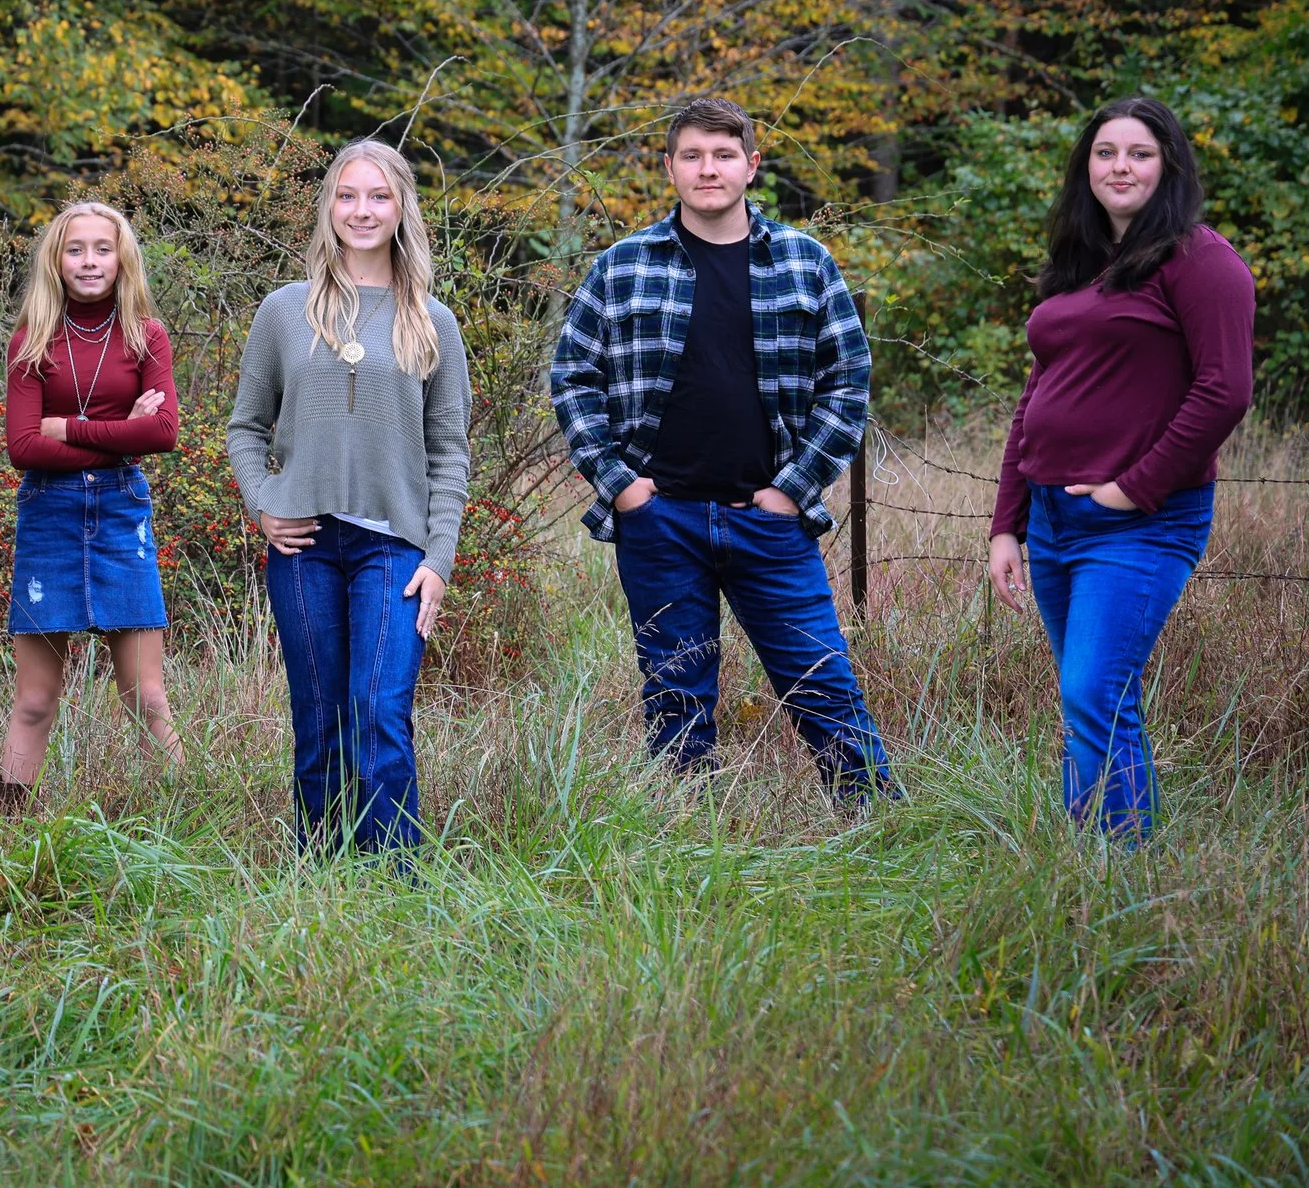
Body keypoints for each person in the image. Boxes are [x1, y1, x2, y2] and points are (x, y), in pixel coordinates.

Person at [550, 97, 896, 803]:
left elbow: (848, 381)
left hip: (769, 521)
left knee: (823, 685)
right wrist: (622, 486)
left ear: (751, 165)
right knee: (676, 698)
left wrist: (791, 489)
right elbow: (572, 377)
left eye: (724, 154)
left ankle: (878, 822)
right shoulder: (622, 267)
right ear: (671, 167)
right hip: (660, 521)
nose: (708, 168)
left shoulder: (804, 262)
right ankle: (685, 845)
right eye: (692, 155)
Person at [988, 97, 1253, 840]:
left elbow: (1225, 389)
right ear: (1086, 169)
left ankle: (1122, 862)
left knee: (1092, 688)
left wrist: (1133, 487)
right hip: (1052, 516)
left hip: (1140, 520)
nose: (1120, 166)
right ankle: (1097, 861)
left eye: (1139, 152)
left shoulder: (1200, 261)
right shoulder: (1078, 266)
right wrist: (1006, 524)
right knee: (1095, 699)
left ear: (1168, 165)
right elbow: (1036, 394)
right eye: (1105, 152)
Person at [227, 139, 472, 855]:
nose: (361, 210)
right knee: (320, 714)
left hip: (394, 548)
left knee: (380, 710)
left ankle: (394, 881)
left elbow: (450, 451)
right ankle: (322, 871)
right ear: (328, 206)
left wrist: (441, 558)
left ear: (402, 209)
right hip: (302, 545)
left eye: (378, 196)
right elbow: (246, 426)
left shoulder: (433, 320)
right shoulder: (284, 311)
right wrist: (263, 503)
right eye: (347, 195)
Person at [0, 200, 185, 813]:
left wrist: (67, 430)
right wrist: (116, 434)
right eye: (76, 249)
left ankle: (195, 814)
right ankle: (7, 830)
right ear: (57, 260)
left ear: (122, 256)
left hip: (121, 516)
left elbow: (161, 435)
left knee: (145, 697)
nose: (90, 261)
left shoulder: (146, 335)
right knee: (34, 700)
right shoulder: (31, 339)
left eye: (102, 248)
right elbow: (23, 448)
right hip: (48, 516)